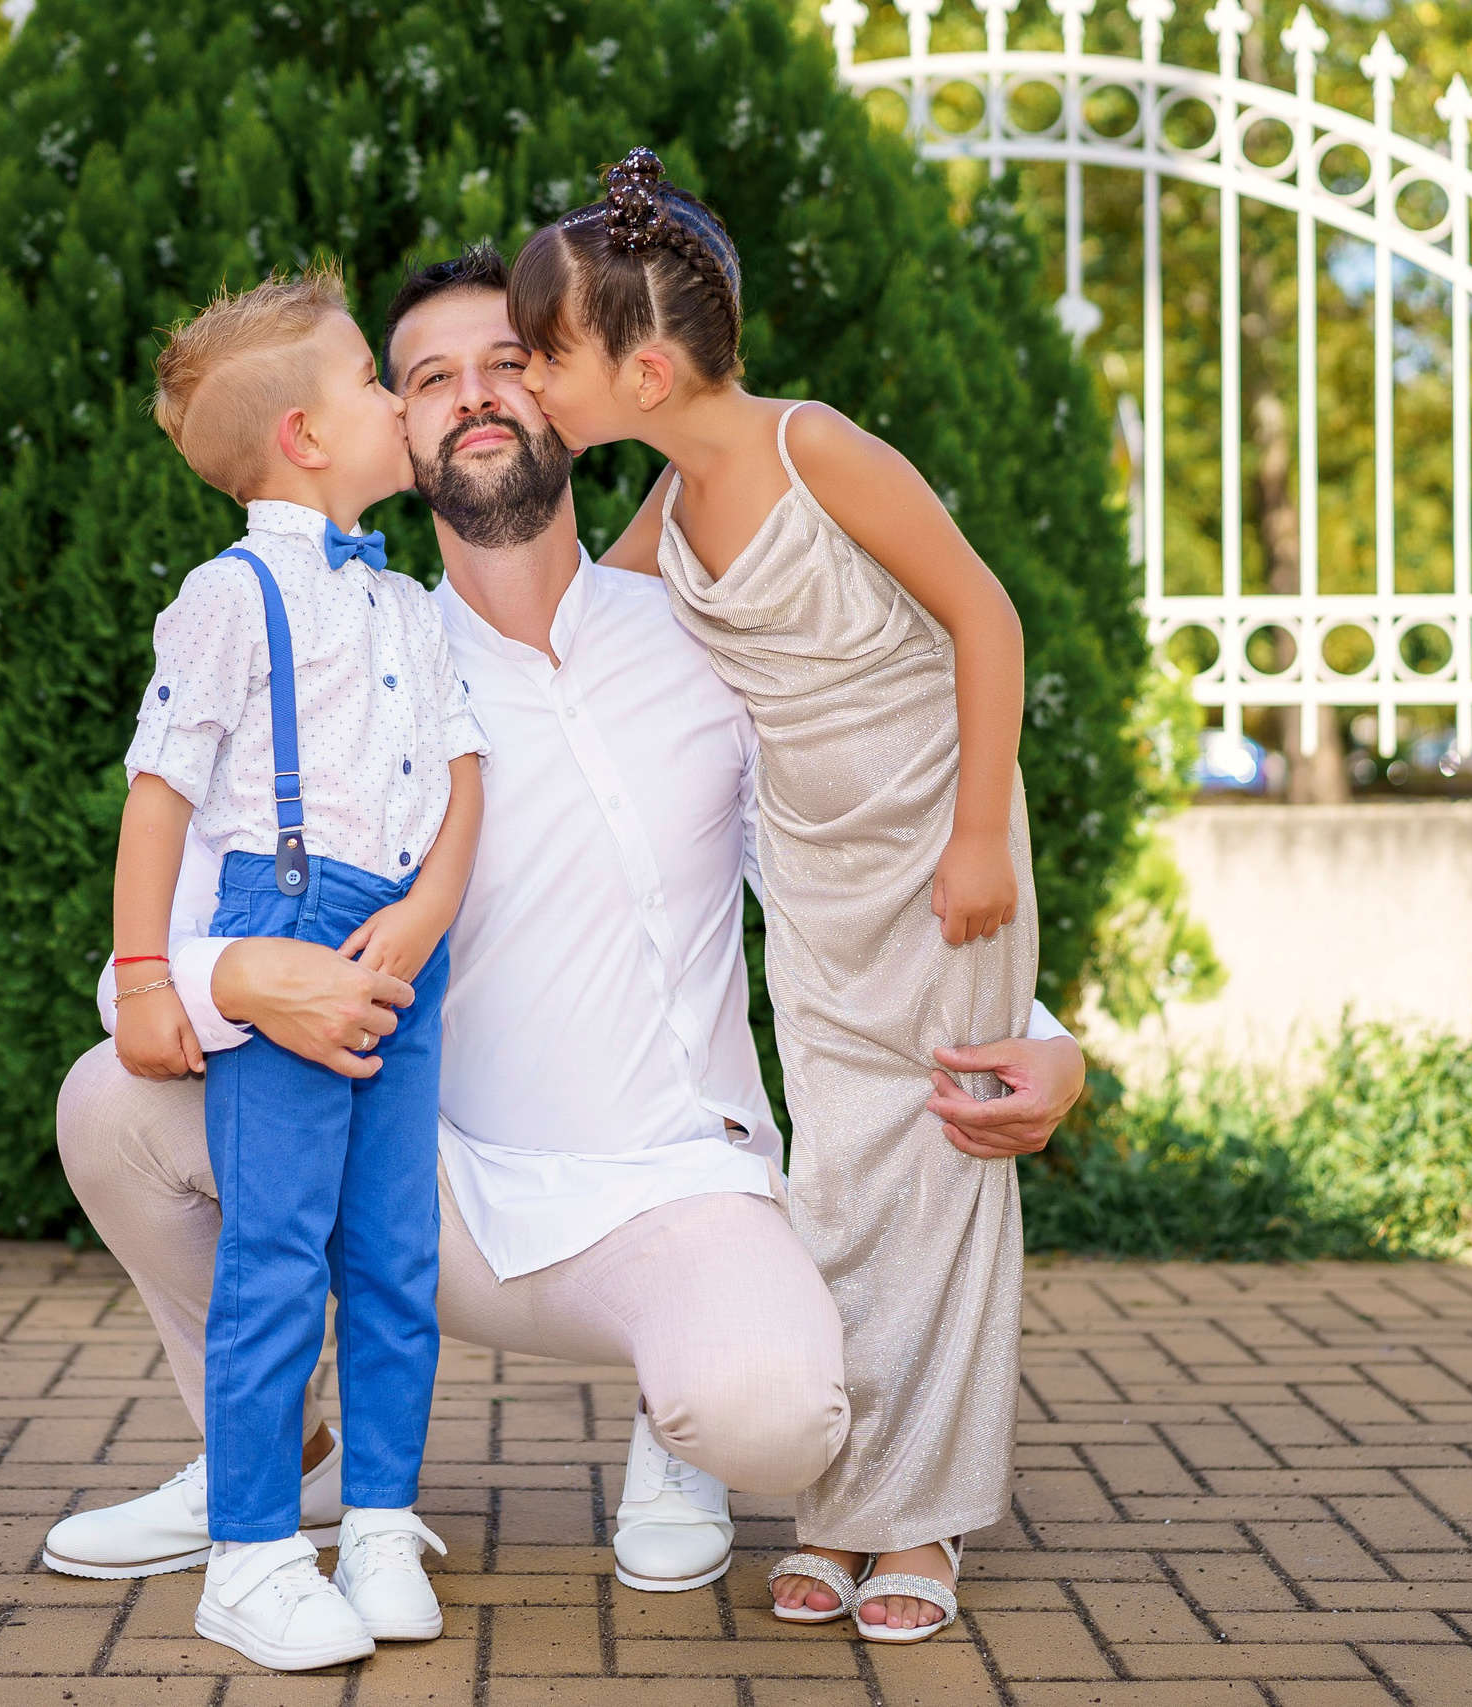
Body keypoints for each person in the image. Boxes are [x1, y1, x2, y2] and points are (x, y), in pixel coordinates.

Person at [48, 245, 1087, 1616]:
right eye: (423, 378)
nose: (473, 396)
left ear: (579, 397)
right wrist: (238, 974)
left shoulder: (697, 632)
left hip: (677, 1192)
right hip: (436, 1192)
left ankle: (684, 1415)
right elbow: (181, 927)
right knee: (109, 1100)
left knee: (772, 1412)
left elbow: (864, 845)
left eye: (509, 364)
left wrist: (1044, 1033)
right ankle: (271, 1448)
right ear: (389, 434)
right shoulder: (363, 657)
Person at [510, 149, 1040, 1644]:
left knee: (938, 1173)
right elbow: (584, 630)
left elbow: (984, 616)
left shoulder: (824, 454)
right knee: (836, 1187)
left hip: (942, 867)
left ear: (651, 365)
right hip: (810, 888)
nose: (534, 380)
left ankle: (920, 1529)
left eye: (546, 357)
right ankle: (844, 1507)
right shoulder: (668, 517)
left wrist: (982, 832)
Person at [115, 264, 489, 1672]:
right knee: (277, 1253)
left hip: (402, 939)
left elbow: (461, 771)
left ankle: (380, 1520)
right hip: (279, 923)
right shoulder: (226, 598)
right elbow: (160, 793)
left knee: (392, 1252)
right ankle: (254, 1551)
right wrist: (149, 976)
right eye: (376, 384)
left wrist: (431, 908)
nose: (403, 405)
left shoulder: (406, 603)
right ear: (308, 441)